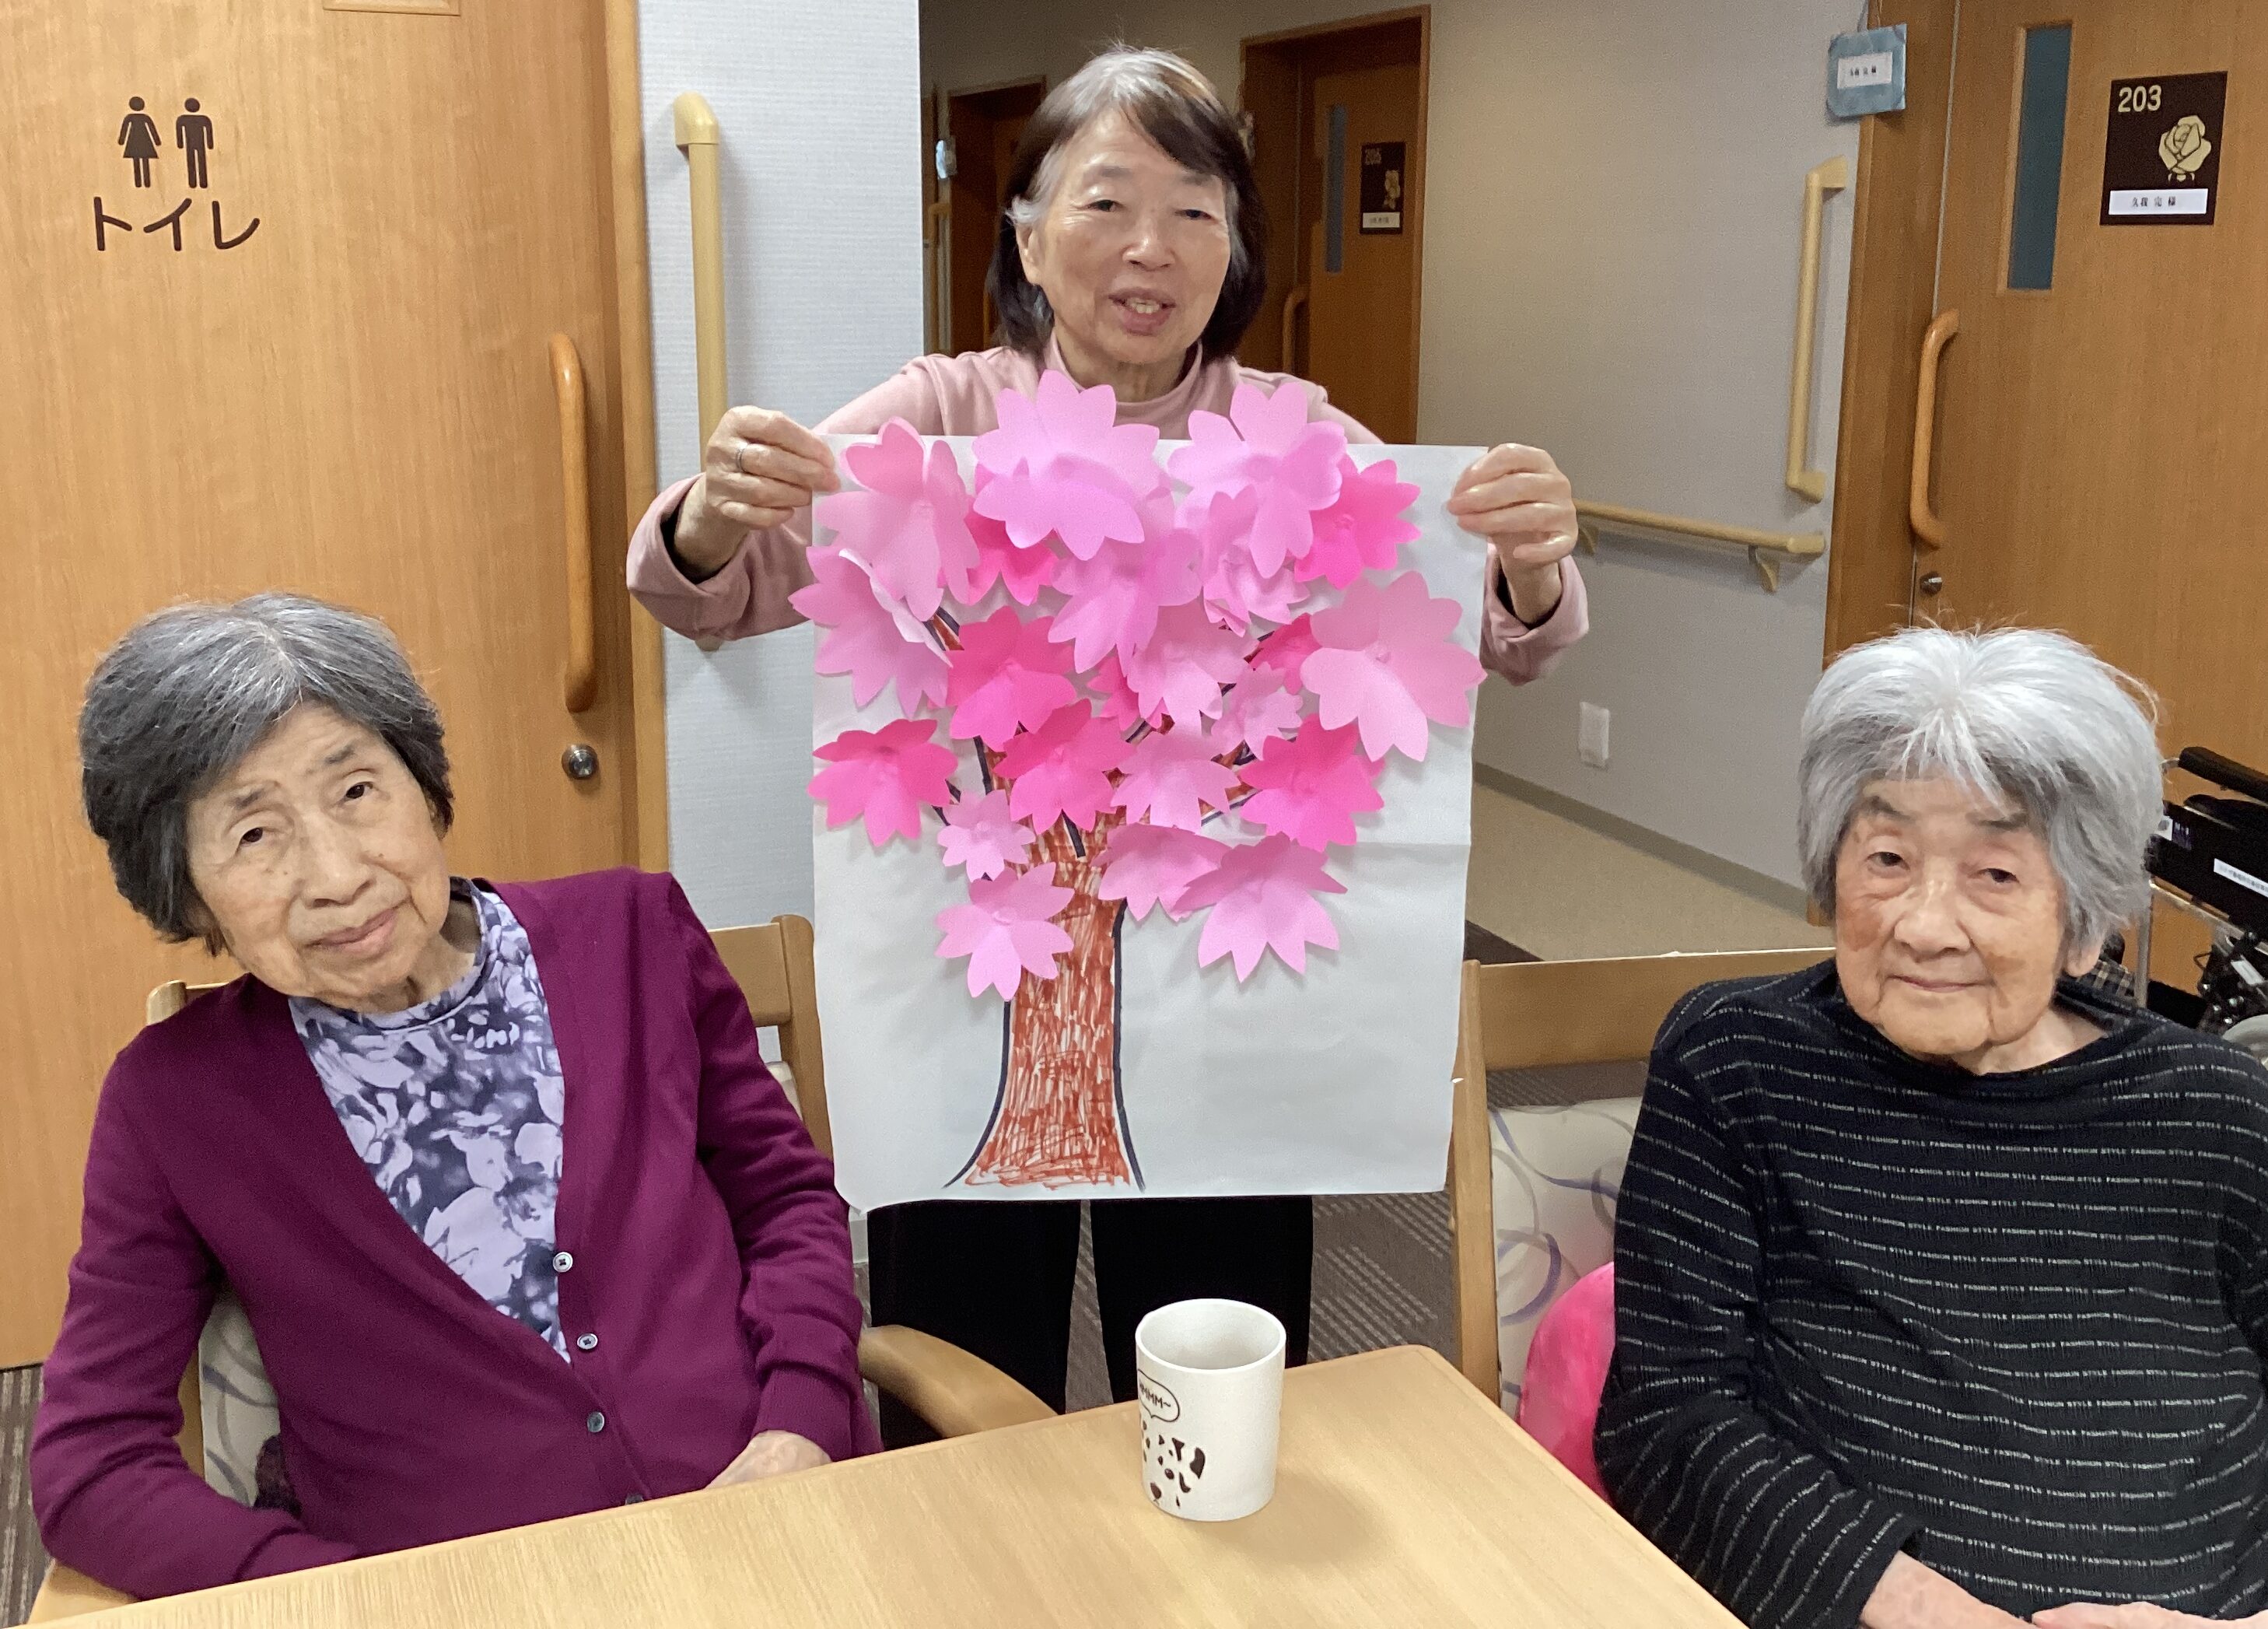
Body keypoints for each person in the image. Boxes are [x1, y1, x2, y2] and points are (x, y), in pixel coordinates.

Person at [625, 45, 1591, 1443]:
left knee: (1214, 1341)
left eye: (1197, 210)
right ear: (1023, 230)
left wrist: (1528, 563)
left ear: (1237, 246)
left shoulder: (1293, 434)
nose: (1152, 248)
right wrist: (714, 511)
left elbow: (1480, 630)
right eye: (1106, 203)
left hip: (1219, 966)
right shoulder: (943, 413)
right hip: (983, 966)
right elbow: (703, 582)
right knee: (969, 1339)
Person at [32, 594, 873, 1601]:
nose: (338, 874)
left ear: (423, 785)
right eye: (255, 834)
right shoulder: (173, 1098)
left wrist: (801, 1426)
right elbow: (90, 1462)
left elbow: (785, 1206)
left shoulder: (635, 931)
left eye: (355, 790)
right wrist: (351, 1593)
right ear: (184, 887)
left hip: (781, 1537)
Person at [1597, 625, 2268, 1629]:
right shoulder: (1740, 1060)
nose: (1922, 923)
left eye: (1995, 875)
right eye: (1888, 858)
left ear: (2085, 920)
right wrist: (1914, 1605)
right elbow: (1665, 1417)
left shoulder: (2223, 1113)